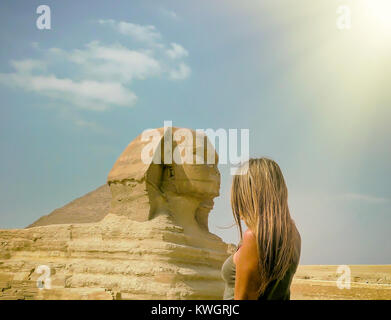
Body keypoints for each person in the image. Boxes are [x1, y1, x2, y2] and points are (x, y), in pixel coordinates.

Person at [221, 158, 301, 300]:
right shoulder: (294, 234)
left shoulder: (253, 237)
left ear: (253, 196)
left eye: (241, 199)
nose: (239, 211)